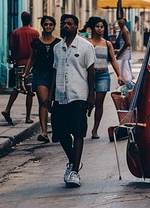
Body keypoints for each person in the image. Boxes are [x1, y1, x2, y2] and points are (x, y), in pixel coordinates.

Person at [51, 14, 95, 188]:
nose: (66, 26)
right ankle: (73, 161)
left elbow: (91, 72)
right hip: (61, 96)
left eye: (69, 23)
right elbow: (55, 70)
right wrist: (51, 95)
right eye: (63, 23)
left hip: (79, 95)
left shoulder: (86, 47)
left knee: (78, 132)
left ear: (77, 26)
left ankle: (74, 170)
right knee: (60, 132)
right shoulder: (57, 48)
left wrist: (92, 95)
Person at [21, 16, 61, 143]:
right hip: (40, 75)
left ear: (54, 26)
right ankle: (44, 132)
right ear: (42, 26)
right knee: (43, 101)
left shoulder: (59, 43)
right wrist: (25, 74)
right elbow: (31, 58)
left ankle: (57, 130)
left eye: (50, 24)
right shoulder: (36, 42)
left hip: (54, 76)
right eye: (46, 24)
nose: (48, 26)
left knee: (55, 104)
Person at [88, 17, 125, 139]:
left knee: (99, 103)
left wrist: (119, 75)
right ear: (93, 28)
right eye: (97, 26)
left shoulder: (107, 44)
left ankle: (95, 129)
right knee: (88, 101)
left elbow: (113, 60)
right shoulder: (87, 43)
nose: (100, 29)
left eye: (102, 27)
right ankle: (88, 108)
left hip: (103, 75)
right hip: (88, 76)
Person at [2, 11, 40, 126]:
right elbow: (38, 49)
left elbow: (12, 47)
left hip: (19, 63)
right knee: (29, 90)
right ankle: (28, 117)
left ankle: (8, 109)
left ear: (21, 19)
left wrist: (12, 59)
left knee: (17, 87)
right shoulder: (35, 33)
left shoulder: (15, 32)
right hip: (31, 64)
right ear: (30, 20)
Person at [115, 17, 132, 83]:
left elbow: (127, 43)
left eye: (121, 22)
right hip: (124, 53)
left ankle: (126, 83)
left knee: (125, 70)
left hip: (124, 54)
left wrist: (119, 53)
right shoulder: (122, 30)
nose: (119, 23)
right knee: (123, 69)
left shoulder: (125, 31)